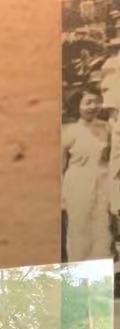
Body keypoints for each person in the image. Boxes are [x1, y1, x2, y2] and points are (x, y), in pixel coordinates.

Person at [63, 86, 111, 261]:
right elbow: (61, 166)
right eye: (88, 102)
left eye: (97, 102)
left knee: (101, 230)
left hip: (102, 184)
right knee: (79, 231)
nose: (93, 106)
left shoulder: (107, 128)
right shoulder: (68, 131)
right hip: (77, 185)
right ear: (77, 105)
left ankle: (100, 271)